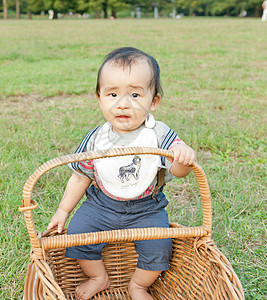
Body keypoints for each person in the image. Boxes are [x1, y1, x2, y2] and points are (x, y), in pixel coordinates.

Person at [47, 47, 196, 300]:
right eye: (112, 94)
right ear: (99, 98)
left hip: (147, 208)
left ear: (154, 101)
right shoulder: (97, 138)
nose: (123, 103)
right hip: (101, 204)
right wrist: (63, 210)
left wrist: (183, 158)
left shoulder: (158, 135)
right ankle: (98, 277)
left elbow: (177, 171)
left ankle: (138, 286)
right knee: (77, 236)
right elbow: (81, 176)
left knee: (160, 250)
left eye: (136, 94)